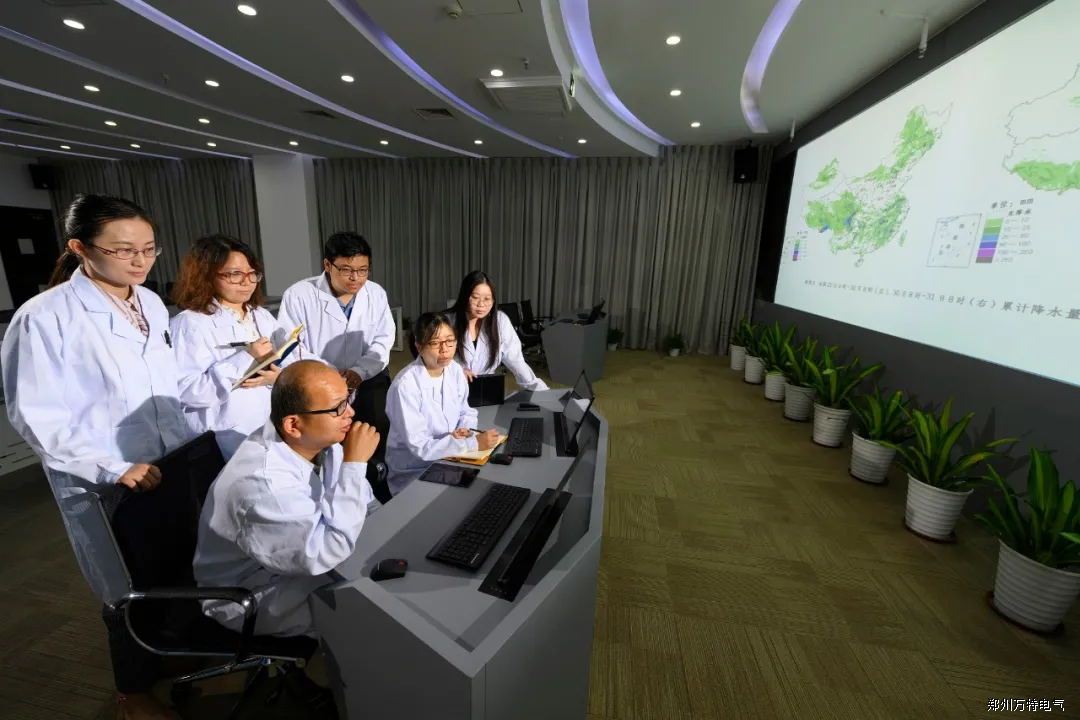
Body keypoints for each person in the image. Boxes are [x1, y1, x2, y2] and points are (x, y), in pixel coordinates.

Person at [0, 194, 192, 719]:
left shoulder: (151, 302)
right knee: (123, 584)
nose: (140, 260)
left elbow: (163, 388)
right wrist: (112, 468)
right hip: (104, 479)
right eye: (123, 250)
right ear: (80, 248)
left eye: (149, 248)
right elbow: (37, 416)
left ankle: (166, 655)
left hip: (164, 464)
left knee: (169, 567)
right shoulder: (44, 317)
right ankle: (132, 692)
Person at [194, 360, 379, 637]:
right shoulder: (262, 484)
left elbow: (366, 502)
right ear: (293, 424)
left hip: (294, 561)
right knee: (371, 613)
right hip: (252, 593)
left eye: (348, 399)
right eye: (338, 408)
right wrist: (355, 465)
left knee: (382, 583)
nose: (350, 412)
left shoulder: (318, 442)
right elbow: (323, 553)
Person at [276, 232, 394, 499]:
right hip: (319, 386)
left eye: (363, 270)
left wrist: (359, 371)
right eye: (347, 270)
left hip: (366, 378)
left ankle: (374, 492)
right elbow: (290, 344)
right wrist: (329, 374)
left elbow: (384, 340)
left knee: (372, 437)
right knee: (328, 446)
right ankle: (333, 498)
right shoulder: (299, 294)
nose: (356, 278)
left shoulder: (375, 293)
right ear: (327, 265)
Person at [170, 234, 281, 459]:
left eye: (252, 274)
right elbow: (187, 392)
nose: (246, 282)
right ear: (207, 275)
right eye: (234, 274)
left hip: (266, 428)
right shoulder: (189, 323)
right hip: (223, 438)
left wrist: (277, 377)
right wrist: (245, 358)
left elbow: (287, 360)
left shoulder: (261, 315)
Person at [385, 313, 500, 495]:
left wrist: (465, 430)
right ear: (419, 346)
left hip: (451, 457)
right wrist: (472, 444)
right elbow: (420, 447)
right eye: (435, 343)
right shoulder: (406, 386)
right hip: (416, 469)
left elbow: (466, 411)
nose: (445, 349)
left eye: (450, 341)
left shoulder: (454, 370)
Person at [449, 271, 548, 391]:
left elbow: (515, 360)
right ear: (465, 296)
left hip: (485, 389)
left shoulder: (500, 321)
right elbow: (432, 360)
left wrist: (537, 387)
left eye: (487, 299)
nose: (481, 304)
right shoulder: (446, 322)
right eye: (475, 298)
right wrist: (456, 371)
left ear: (493, 301)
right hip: (452, 387)